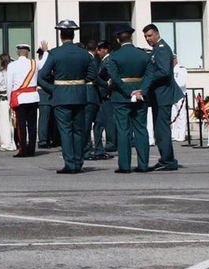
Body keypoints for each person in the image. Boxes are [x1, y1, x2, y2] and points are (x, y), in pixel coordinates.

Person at [36, 20, 97, 174]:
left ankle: (70, 164)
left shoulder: (55, 53)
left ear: (61, 35)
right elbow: (92, 75)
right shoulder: (84, 54)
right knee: (79, 131)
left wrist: (53, 89)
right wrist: (78, 83)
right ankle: (78, 163)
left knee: (65, 131)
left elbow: (42, 76)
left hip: (61, 96)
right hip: (79, 96)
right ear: (73, 34)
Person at [137, 23, 185, 171]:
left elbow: (163, 71)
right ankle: (165, 158)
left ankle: (168, 160)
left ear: (157, 34)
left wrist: (146, 81)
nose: (148, 39)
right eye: (145, 36)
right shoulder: (156, 49)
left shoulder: (162, 49)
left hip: (163, 94)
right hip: (159, 95)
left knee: (162, 129)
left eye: (150, 35)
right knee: (159, 129)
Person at [107, 29, 153, 173]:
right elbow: (150, 75)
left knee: (123, 130)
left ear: (118, 40)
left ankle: (125, 165)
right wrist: (141, 90)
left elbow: (114, 77)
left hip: (121, 97)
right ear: (131, 38)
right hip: (140, 96)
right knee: (141, 129)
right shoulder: (143, 55)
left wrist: (128, 92)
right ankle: (143, 164)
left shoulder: (114, 56)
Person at [4, 43, 39, 157]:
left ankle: (23, 149)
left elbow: (9, 84)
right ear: (27, 52)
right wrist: (46, 52)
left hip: (20, 98)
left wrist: (10, 100)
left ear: (18, 52)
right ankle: (32, 150)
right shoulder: (34, 63)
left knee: (21, 125)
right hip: (33, 97)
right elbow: (44, 62)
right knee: (32, 125)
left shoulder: (12, 65)